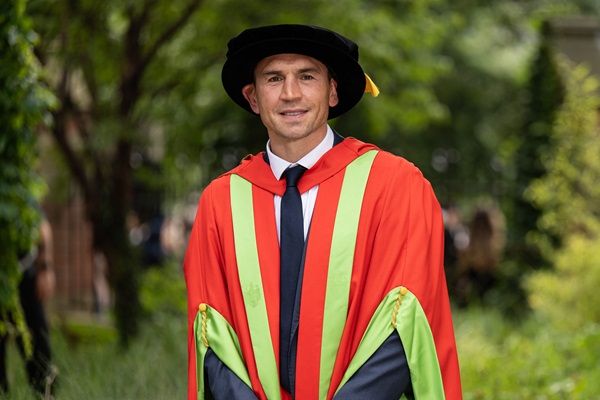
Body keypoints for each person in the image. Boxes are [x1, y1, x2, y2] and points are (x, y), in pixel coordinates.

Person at [184, 24, 462, 399]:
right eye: (273, 78)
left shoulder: (395, 186)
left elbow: (406, 320)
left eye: (307, 76)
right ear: (252, 97)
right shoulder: (221, 201)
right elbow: (211, 332)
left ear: (332, 91)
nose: (290, 93)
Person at [0, 217, 57, 397]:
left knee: (37, 348)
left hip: (22, 274)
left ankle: (44, 393)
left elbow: (42, 224)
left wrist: (45, 268)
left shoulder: (12, 190)